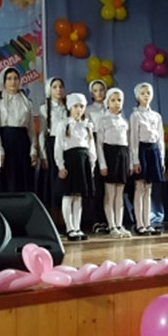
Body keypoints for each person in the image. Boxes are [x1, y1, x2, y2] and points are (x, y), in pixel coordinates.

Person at [54, 93, 96, 241]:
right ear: (70, 108)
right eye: (76, 106)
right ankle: (69, 228)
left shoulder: (87, 125)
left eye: (82, 106)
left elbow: (91, 147)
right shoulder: (63, 125)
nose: (79, 109)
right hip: (70, 161)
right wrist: (60, 165)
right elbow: (58, 146)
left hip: (83, 162)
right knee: (68, 195)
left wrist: (92, 165)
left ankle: (77, 227)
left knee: (78, 196)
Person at [0, 67, 37, 192]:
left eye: (16, 78)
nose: (13, 82)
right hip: (5, 141)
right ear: (4, 81)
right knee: (6, 179)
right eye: (9, 79)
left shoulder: (26, 101)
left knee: (23, 179)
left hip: (22, 143)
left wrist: (33, 149)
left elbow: (31, 129)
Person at [96, 88, 132, 238]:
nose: (116, 103)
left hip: (122, 155)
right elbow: (99, 144)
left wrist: (130, 163)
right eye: (113, 100)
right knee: (110, 194)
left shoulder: (125, 122)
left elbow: (129, 144)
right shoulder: (103, 121)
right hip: (109, 155)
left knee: (119, 194)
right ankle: (111, 225)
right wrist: (102, 164)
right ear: (107, 102)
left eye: (119, 100)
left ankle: (119, 224)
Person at [130, 82, 165, 236]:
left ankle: (148, 222)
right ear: (138, 96)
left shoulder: (156, 116)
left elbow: (160, 138)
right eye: (143, 93)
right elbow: (133, 139)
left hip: (153, 150)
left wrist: (161, 159)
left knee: (149, 189)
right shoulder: (135, 115)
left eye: (148, 93)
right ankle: (139, 224)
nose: (146, 96)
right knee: (140, 187)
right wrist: (135, 160)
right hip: (142, 150)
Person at [38, 77, 67, 217]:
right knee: (52, 181)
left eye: (60, 86)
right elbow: (42, 133)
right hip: (52, 146)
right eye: (54, 87)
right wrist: (43, 155)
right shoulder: (44, 108)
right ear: (49, 90)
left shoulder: (68, 107)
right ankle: (53, 216)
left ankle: (66, 216)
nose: (58, 90)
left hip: (66, 146)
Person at [87, 79, 108, 233]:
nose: (99, 93)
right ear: (91, 94)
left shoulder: (112, 108)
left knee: (111, 187)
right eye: (95, 90)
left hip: (110, 146)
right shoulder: (88, 110)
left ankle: (111, 220)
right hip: (94, 145)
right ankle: (96, 220)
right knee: (97, 187)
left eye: (101, 90)